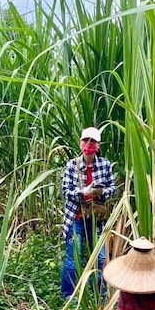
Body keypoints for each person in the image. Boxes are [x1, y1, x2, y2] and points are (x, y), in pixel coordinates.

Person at [60, 126, 117, 298]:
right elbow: (65, 192)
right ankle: (69, 295)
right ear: (80, 143)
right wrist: (83, 192)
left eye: (93, 141)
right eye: (86, 140)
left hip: (96, 220)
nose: (89, 144)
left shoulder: (104, 165)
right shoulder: (72, 166)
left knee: (99, 258)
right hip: (76, 218)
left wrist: (101, 192)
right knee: (73, 258)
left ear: (98, 146)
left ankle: (99, 293)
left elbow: (113, 188)